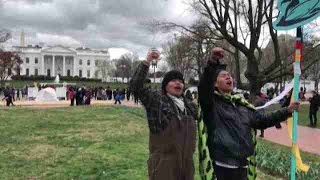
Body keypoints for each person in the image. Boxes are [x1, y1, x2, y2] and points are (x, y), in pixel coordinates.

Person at [198, 47, 300, 180]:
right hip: (223, 168)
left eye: (229, 75)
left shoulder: (242, 105)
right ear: (215, 84)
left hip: (243, 168)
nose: (228, 77)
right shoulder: (211, 104)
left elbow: (263, 120)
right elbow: (204, 86)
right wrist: (212, 62)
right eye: (223, 76)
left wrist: (287, 111)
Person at [130, 49, 198, 180]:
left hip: (187, 168)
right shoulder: (157, 100)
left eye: (180, 81)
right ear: (165, 86)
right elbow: (135, 87)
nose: (178, 83)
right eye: (173, 80)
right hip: (163, 167)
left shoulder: (190, 106)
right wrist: (147, 61)